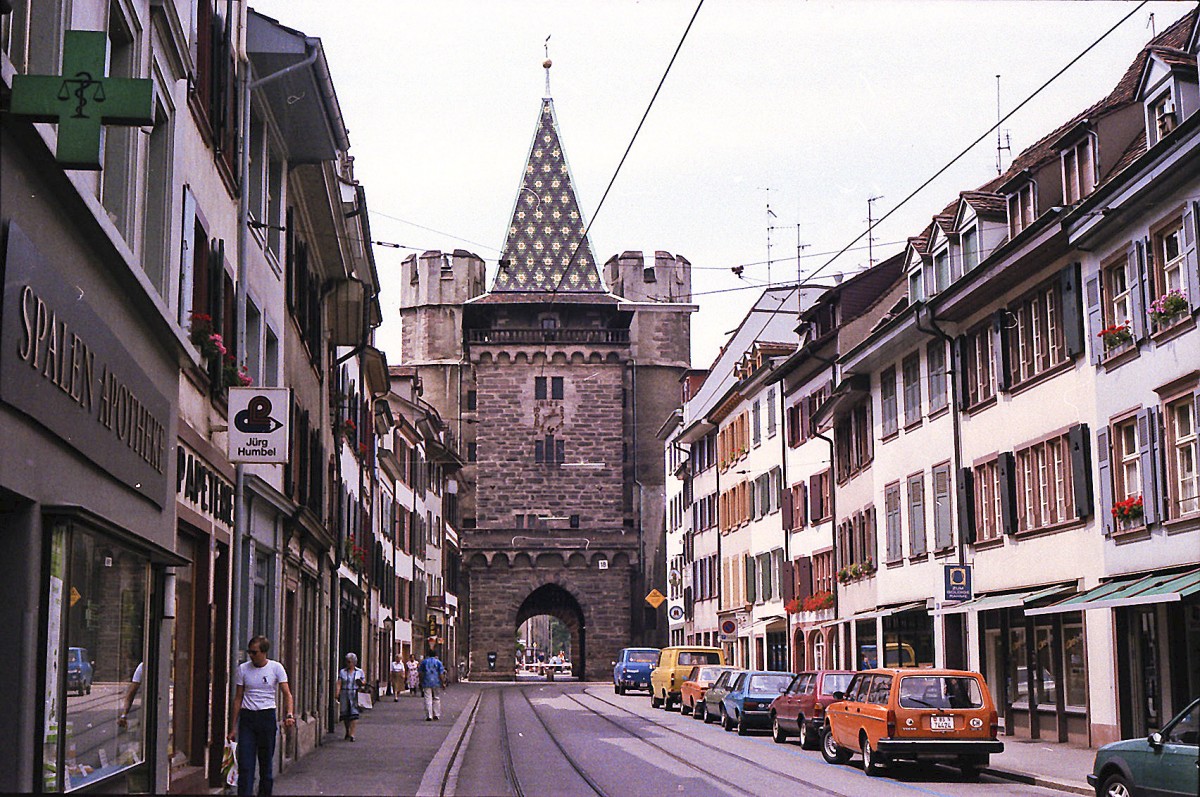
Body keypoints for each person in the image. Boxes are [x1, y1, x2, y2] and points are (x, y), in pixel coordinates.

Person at [227, 636, 294, 797]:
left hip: (266, 717)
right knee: (245, 764)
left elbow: (287, 694)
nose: (251, 655)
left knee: (266, 765)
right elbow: (238, 698)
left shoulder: (275, 668)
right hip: (248, 718)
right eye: (249, 652)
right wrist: (232, 728)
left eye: (254, 652)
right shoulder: (243, 669)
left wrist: (289, 714)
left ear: (264, 652)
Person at [336, 653, 366, 740]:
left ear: (354, 662)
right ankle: (347, 731)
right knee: (345, 714)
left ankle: (352, 734)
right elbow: (339, 682)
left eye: (349, 662)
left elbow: (364, 681)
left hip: (354, 694)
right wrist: (337, 693)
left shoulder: (359, 671)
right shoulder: (342, 672)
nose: (348, 664)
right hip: (345, 693)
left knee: (354, 714)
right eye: (347, 662)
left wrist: (361, 682)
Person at [419, 648, 446, 721]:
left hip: (426, 681)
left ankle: (429, 715)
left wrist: (420, 682)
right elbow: (441, 673)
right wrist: (443, 682)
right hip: (436, 682)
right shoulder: (438, 662)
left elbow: (421, 673)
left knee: (428, 698)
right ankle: (436, 714)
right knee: (436, 698)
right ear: (435, 655)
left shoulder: (424, 662)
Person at [117, 661, 143, 729]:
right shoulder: (142, 667)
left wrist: (124, 715)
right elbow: (132, 692)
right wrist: (124, 715)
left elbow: (131, 692)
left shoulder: (142, 667)